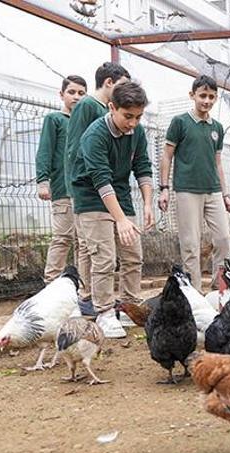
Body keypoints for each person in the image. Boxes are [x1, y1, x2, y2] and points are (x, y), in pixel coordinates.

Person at [71, 81, 154, 339]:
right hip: (91, 197)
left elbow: (143, 167)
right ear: (112, 107)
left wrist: (148, 204)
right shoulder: (94, 135)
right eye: (128, 116)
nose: (133, 123)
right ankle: (105, 312)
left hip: (120, 194)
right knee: (104, 258)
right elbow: (101, 180)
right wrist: (120, 220)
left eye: (138, 117)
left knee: (133, 254)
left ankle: (129, 307)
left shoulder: (137, 132)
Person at [65, 62, 131, 315]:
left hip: (102, 187)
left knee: (93, 247)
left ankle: (93, 296)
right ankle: (87, 297)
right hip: (86, 187)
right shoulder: (87, 106)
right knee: (87, 245)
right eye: (122, 85)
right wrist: (76, 186)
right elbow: (75, 147)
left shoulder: (106, 109)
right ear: (109, 83)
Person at [158, 75, 230, 291]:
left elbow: (218, 163)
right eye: (202, 96)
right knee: (191, 244)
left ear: (215, 98)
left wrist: (226, 194)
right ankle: (195, 294)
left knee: (223, 239)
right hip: (187, 191)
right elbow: (167, 156)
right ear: (192, 95)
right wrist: (164, 189)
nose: (206, 101)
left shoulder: (217, 128)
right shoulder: (180, 122)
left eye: (211, 96)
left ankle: (219, 289)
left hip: (213, 191)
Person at [35, 75, 87, 283]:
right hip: (62, 189)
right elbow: (44, 151)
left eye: (81, 93)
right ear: (61, 94)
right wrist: (43, 181)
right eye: (71, 92)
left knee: (83, 242)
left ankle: (83, 286)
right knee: (63, 237)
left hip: (83, 192)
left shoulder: (86, 123)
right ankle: (51, 283)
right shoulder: (55, 120)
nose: (76, 97)